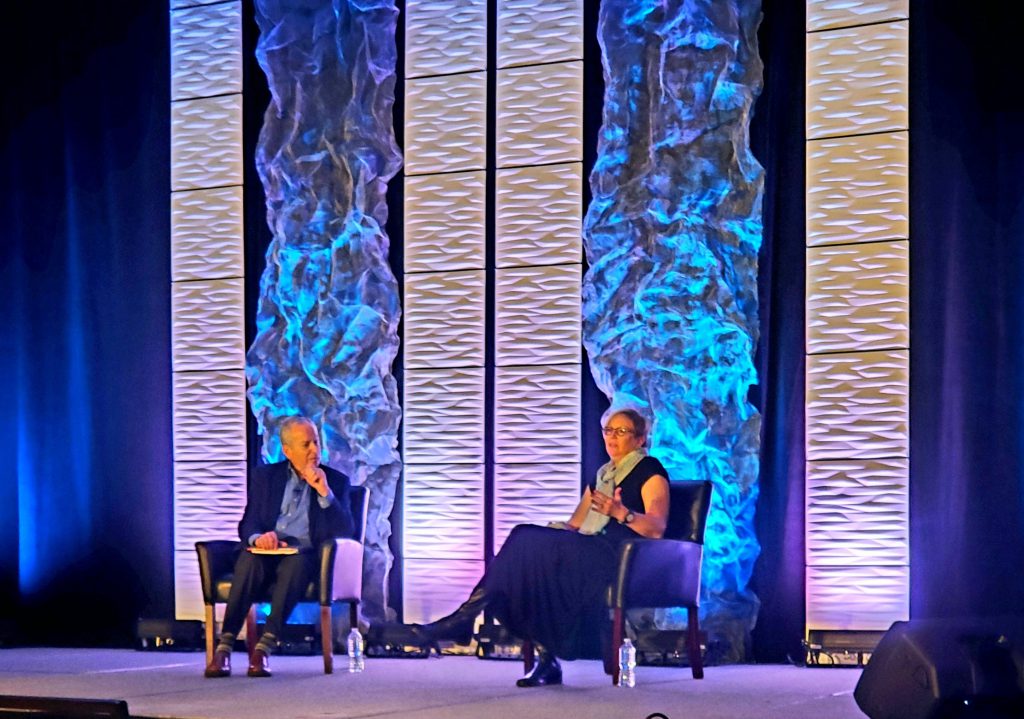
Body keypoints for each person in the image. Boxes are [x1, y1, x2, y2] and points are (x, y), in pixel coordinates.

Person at [417, 407, 670, 687]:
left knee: (525, 541)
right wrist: (550, 533)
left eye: (621, 432)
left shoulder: (650, 470)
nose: (612, 438)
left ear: (639, 439)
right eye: (608, 431)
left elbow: (657, 527)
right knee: (526, 552)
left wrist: (622, 513)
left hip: (614, 558)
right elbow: (575, 524)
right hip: (584, 549)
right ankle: (544, 660)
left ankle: (464, 620)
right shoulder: (602, 475)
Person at [204, 416, 354, 678]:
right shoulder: (265, 477)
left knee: (297, 563)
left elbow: (345, 532)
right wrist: (258, 538)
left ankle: (263, 649)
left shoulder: (336, 482)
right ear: (287, 451)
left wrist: (324, 494)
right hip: (267, 553)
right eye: (306, 445)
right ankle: (224, 647)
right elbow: (248, 524)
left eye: (316, 443)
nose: (314, 451)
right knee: (249, 559)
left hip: (304, 556)